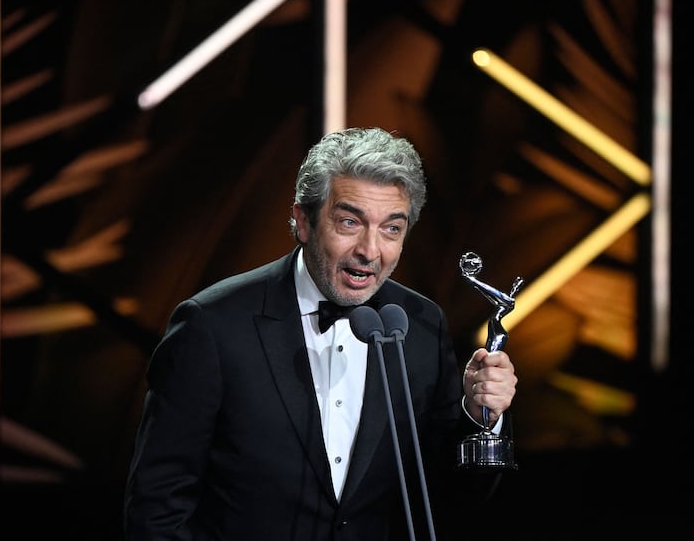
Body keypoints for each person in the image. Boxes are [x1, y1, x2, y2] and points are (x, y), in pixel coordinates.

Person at [124, 126, 518, 540]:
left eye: (391, 229)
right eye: (349, 222)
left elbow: (449, 498)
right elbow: (156, 507)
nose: (370, 250)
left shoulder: (420, 323)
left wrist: (481, 418)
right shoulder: (212, 325)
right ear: (303, 221)